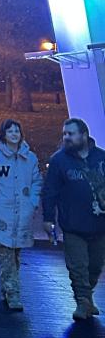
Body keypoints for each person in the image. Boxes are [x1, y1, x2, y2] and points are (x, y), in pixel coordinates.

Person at [0, 119, 43, 310]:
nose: (14, 134)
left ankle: (7, 286)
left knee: (15, 255)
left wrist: (33, 201)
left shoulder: (30, 158)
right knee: (7, 254)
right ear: (3, 134)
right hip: (1, 215)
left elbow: (37, 181)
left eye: (17, 131)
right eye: (10, 131)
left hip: (23, 215)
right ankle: (13, 294)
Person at [42, 117, 105, 321]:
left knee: (95, 266)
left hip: (100, 224)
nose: (66, 137)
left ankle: (87, 297)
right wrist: (48, 218)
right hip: (73, 225)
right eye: (64, 134)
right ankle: (82, 301)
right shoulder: (59, 161)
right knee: (77, 266)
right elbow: (50, 191)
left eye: (71, 133)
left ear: (84, 135)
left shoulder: (101, 158)